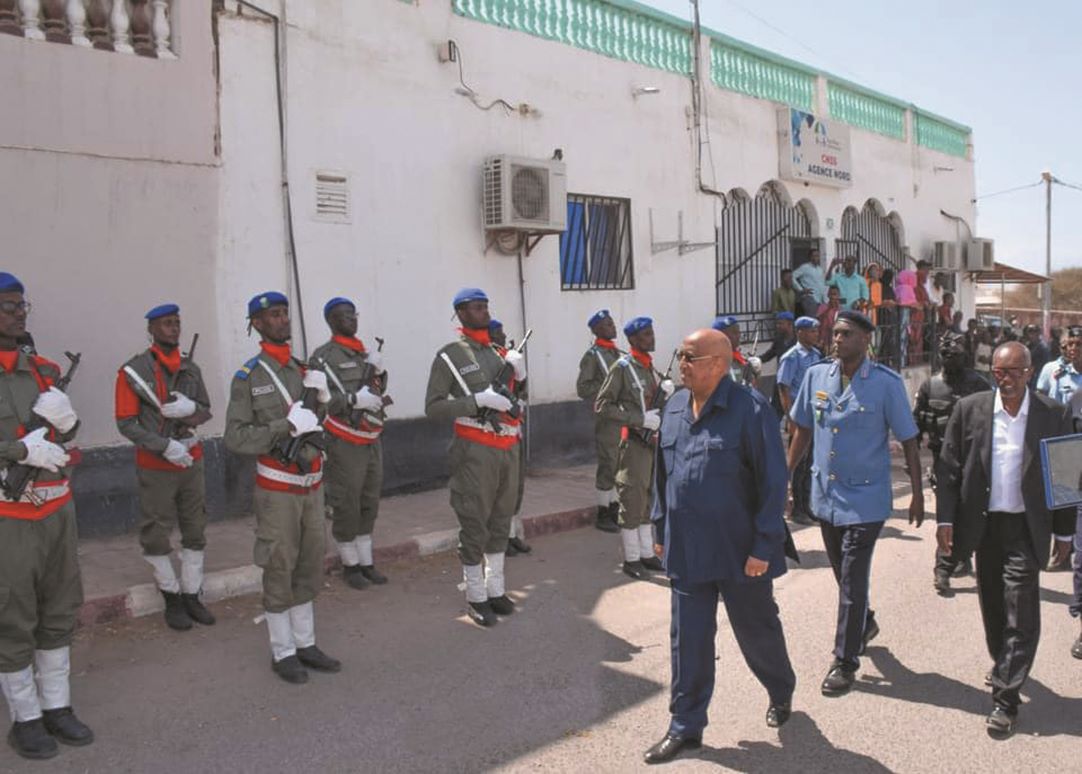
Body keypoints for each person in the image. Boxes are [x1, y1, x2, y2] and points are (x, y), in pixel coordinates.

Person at [643, 329, 796, 764]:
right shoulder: (673, 406)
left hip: (739, 552)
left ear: (719, 364)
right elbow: (662, 474)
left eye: (690, 357)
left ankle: (780, 688)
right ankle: (685, 726)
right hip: (687, 550)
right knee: (687, 640)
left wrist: (764, 548)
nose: (682, 364)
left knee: (757, 631)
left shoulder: (751, 410)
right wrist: (660, 528)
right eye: (681, 356)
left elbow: (772, 484)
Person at [934, 342, 1074, 737]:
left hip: (1027, 528)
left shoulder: (1053, 413)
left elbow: (1065, 477)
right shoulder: (970, 409)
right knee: (993, 606)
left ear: (1030, 372)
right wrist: (946, 520)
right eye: (999, 371)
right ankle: (1004, 664)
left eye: (1014, 371)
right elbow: (948, 469)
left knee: (1021, 609)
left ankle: (1006, 699)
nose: (1006, 379)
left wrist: (1065, 531)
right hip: (984, 527)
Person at [787, 310, 924, 696]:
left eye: (846, 334)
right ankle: (864, 622)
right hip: (826, 497)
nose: (836, 339)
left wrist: (915, 492)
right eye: (835, 333)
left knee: (851, 578)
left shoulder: (885, 384)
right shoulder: (816, 376)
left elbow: (909, 439)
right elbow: (802, 429)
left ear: (866, 339)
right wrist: (785, 476)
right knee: (842, 574)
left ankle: (844, 662)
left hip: (867, 499)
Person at [0, 273, 94, 759]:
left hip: (57, 509)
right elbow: (24, 447)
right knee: (13, 614)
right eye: (9, 305)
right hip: (8, 516)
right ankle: (26, 718)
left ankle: (57, 707)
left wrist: (66, 419)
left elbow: (69, 432)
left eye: (21, 305)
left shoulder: (46, 370)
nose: (19, 312)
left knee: (59, 607)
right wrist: (20, 450)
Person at [224, 292, 340, 683]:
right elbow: (236, 438)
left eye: (285, 313)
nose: (282, 319)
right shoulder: (249, 377)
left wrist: (324, 400)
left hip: (311, 485)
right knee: (279, 564)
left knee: (309, 562)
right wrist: (283, 426)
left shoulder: (303, 370)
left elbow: (320, 422)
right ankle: (283, 650)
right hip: (277, 488)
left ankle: (305, 643)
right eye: (273, 315)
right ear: (256, 324)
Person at [423, 288, 524, 627]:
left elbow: (513, 401)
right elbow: (434, 407)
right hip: (474, 451)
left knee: (501, 518)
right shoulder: (450, 355)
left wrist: (519, 376)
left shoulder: (498, 354)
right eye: (476, 308)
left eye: (485, 306)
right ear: (461, 313)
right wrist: (476, 402)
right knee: (474, 520)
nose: (484, 312)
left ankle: (496, 590)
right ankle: (476, 596)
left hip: (507, 447)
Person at [115, 304, 215, 631]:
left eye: (176, 323)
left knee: (195, 526)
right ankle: (171, 596)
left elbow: (205, 412)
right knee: (156, 531)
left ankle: (191, 593)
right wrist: (164, 445)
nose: (173, 329)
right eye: (166, 324)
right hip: (156, 464)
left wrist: (189, 411)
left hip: (191, 459)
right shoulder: (133, 371)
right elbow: (126, 424)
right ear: (152, 330)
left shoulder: (191, 369)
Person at [310, 297, 390, 590]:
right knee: (347, 500)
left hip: (371, 438)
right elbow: (319, 403)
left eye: (353, 314)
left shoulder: (364, 354)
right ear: (332, 320)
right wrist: (353, 400)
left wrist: (380, 373)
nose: (351, 320)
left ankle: (366, 561)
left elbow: (378, 392)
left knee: (369, 499)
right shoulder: (322, 358)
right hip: (343, 441)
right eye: (344, 316)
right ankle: (350, 564)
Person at [913, 331, 991, 594]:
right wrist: (910, 459)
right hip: (942, 460)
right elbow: (917, 424)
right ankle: (943, 568)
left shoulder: (979, 385)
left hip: (973, 461)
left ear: (964, 356)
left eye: (955, 354)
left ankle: (960, 557)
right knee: (949, 512)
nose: (950, 358)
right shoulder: (930, 386)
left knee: (966, 510)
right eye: (945, 354)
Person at [595, 316, 673, 580]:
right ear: (633, 340)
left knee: (648, 497)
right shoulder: (623, 367)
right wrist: (639, 419)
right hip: (634, 442)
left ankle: (646, 553)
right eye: (646, 335)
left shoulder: (649, 368)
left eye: (652, 333)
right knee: (631, 497)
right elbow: (603, 406)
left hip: (653, 442)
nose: (652, 338)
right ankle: (631, 559)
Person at [1035, 326, 1082, 573]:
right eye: (1070, 343)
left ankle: (1071, 547)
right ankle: (1059, 548)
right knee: (1060, 497)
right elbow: (1038, 400)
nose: (1074, 348)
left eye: (1078, 344)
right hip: (1059, 443)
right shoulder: (1052, 371)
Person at [575, 309, 624, 534]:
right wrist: (608, 390)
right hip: (607, 419)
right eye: (607, 325)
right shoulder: (593, 356)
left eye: (612, 323)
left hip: (623, 417)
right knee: (608, 464)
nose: (612, 327)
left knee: (620, 464)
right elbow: (583, 388)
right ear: (596, 330)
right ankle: (603, 513)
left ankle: (615, 509)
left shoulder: (617, 354)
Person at [489, 318, 531, 556]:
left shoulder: (510, 358)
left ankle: (512, 535)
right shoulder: (489, 360)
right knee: (501, 489)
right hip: (497, 431)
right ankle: (499, 537)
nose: (503, 335)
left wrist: (521, 376)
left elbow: (519, 391)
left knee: (516, 487)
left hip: (514, 430)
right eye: (498, 332)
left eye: (503, 330)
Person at [776, 317, 822, 526]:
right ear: (800, 332)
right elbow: (783, 388)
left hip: (815, 415)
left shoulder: (816, 355)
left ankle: (807, 505)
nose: (816, 334)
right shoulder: (791, 357)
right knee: (799, 463)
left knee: (811, 462)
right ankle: (795, 509)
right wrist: (790, 417)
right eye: (811, 331)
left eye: (816, 331)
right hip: (798, 415)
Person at [712, 315, 761, 389]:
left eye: (739, 332)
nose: (738, 336)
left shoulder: (742, 361)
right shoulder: (711, 362)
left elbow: (751, 389)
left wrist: (754, 375)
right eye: (734, 333)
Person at [792, 249, 827, 318]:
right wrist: (801, 289)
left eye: (817, 256)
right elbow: (792, 276)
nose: (816, 258)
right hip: (810, 298)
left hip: (820, 300)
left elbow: (822, 284)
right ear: (810, 257)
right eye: (813, 256)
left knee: (820, 321)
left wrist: (825, 299)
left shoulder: (820, 269)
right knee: (812, 320)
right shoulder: (804, 267)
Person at [1023, 324, 1051, 390]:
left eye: (1034, 331)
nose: (1031, 334)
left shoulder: (1043, 347)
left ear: (1038, 333)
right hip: (1027, 376)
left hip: (1038, 376)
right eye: (1029, 331)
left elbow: (1045, 363)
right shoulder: (1028, 346)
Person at [817, 286, 842, 353]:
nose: (833, 297)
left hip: (834, 340)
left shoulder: (841, 310)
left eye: (835, 294)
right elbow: (819, 320)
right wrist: (829, 308)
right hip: (823, 339)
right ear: (828, 295)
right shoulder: (823, 307)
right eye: (831, 294)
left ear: (838, 296)